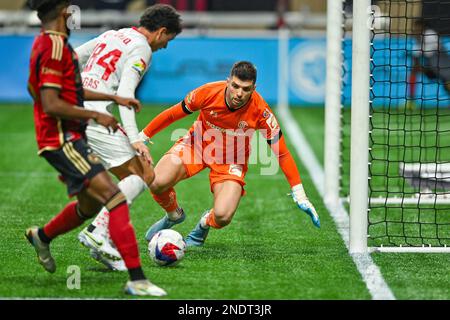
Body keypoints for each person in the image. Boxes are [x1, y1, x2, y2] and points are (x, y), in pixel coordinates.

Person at [90, 61, 320, 264]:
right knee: (155, 181)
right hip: (195, 146)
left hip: (231, 161)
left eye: (246, 89)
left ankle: (203, 224)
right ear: (228, 81)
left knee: (223, 216)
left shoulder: (261, 112)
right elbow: (172, 114)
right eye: (235, 86)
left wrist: (299, 193)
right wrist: (143, 136)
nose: (239, 93)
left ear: (254, 89)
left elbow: (282, 154)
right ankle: (173, 215)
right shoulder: (208, 92)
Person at [24, 0, 166, 296]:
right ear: (65, 13)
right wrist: (96, 114)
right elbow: (50, 102)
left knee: (89, 205)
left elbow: (37, 87)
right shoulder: (55, 47)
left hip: (67, 134)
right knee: (116, 196)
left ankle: (43, 236)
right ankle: (135, 277)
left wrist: (113, 100)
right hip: (61, 138)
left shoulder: (49, 43)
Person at [74, 4, 182, 271]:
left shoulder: (113, 34)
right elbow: (125, 93)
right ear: (161, 31)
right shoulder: (142, 48)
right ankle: (98, 233)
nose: (166, 46)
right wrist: (135, 138)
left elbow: (74, 57)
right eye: (168, 39)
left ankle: (94, 237)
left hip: (74, 111)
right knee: (145, 172)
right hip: (95, 116)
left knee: (129, 176)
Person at [407, 18, 450, 109]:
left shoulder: (430, 35)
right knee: (414, 71)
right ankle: (411, 101)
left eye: (417, 27)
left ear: (423, 27)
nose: (414, 30)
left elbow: (428, 53)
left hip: (445, 67)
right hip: (433, 68)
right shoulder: (418, 40)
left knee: (447, 85)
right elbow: (416, 60)